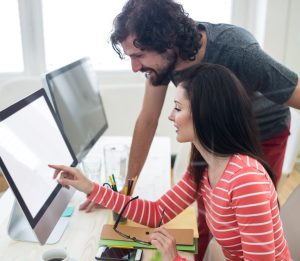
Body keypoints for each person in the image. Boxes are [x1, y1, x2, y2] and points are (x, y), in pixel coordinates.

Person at [50, 64, 299, 261]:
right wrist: (89, 187)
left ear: (205, 115)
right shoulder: (204, 165)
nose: (170, 116)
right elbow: (157, 212)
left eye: (178, 108)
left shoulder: (245, 180)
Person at [80, 0, 300, 215]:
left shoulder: (238, 51)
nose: (135, 67)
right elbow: (147, 120)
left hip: (263, 131)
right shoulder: (162, 63)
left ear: (167, 43)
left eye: (139, 56)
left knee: (249, 211)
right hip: (212, 132)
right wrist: (125, 195)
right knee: (208, 214)